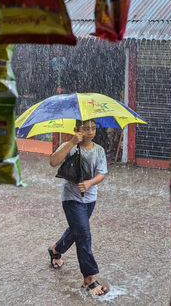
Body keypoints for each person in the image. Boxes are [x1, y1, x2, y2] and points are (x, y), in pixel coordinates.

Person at [47, 119, 109, 296]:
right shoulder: (70, 145)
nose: (90, 132)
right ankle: (88, 278)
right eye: (85, 128)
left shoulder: (98, 150)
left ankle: (56, 249)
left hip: (90, 198)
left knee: (77, 230)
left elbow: (102, 173)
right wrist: (72, 142)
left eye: (93, 128)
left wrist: (90, 182)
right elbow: (53, 161)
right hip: (71, 198)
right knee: (83, 233)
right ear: (77, 130)